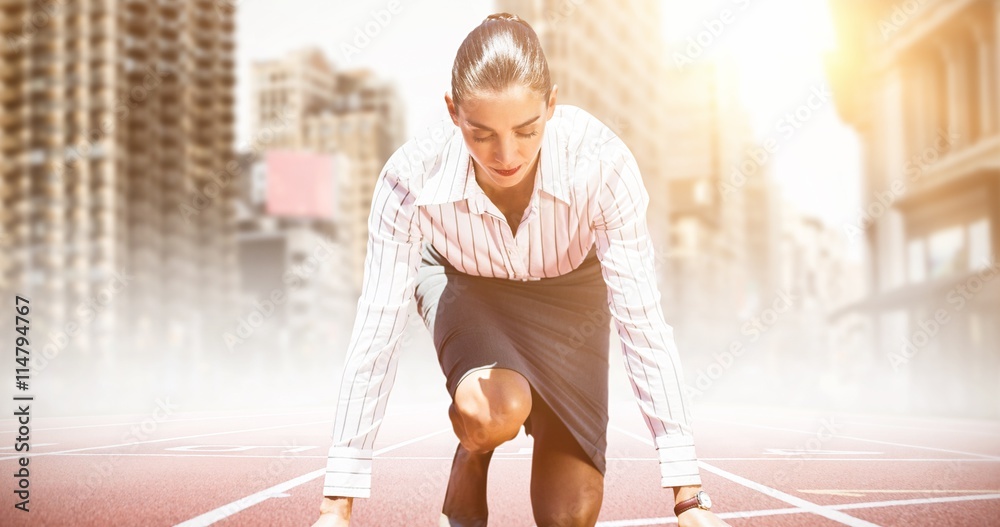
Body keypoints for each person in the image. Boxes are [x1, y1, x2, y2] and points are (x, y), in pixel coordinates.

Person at [312, 12, 730, 527]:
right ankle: (474, 447)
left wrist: (688, 496)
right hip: (468, 288)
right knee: (492, 414)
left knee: (567, 517)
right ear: (453, 112)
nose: (506, 155)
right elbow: (376, 331)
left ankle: (512, 431)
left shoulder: (602, 165)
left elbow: (642, 322)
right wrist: (337, 508)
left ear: (552, 104)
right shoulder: (408, 178)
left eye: (527, 130)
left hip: (571, 303)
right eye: (481, 132)